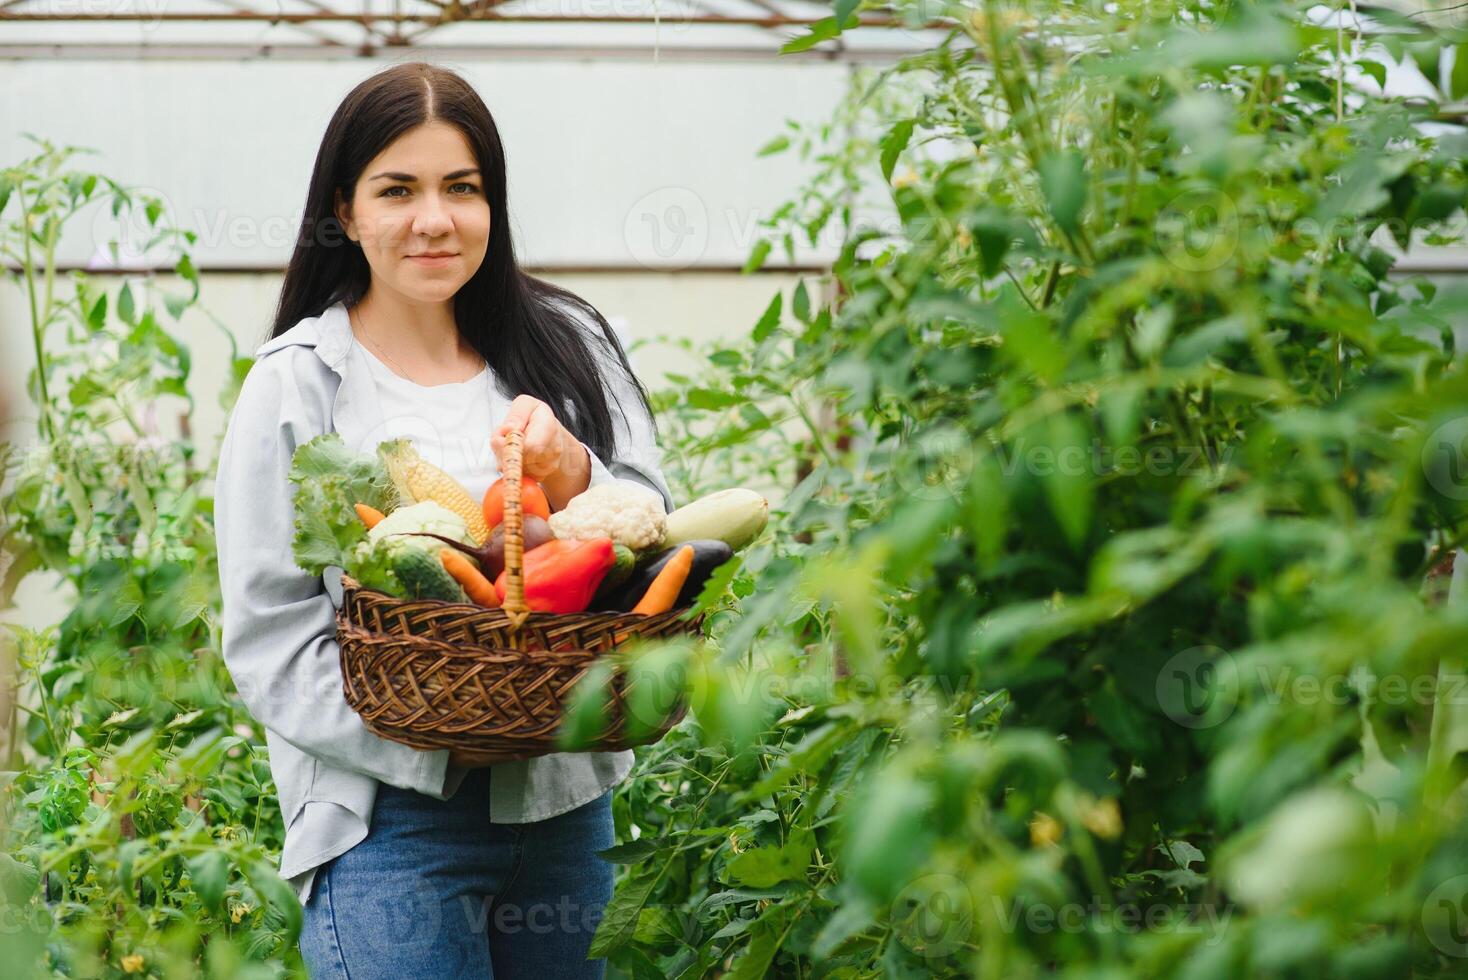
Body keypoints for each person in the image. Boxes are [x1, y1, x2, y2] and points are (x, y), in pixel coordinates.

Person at [212, 61, 676, 979]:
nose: (436, 219)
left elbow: (661, 527)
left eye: (462, 188)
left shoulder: (569, 343)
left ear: (492, 204)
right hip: (389, 822)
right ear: (345, 212)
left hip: (565, 811)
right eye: (399, 190)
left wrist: (573, 469)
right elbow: (270, 635)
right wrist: (440, 735)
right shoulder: (298, 383)